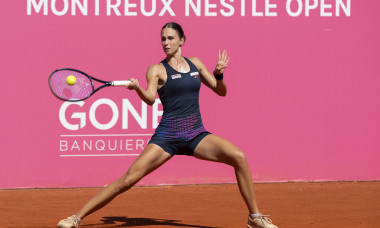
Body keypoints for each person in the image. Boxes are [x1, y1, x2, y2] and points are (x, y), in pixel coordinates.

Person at [57, 22, 278, 228]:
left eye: (171, 38)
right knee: (127, 180)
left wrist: (219, 74)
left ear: (182, 40)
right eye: (163, 39)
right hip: (167, 137)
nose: (166, 42)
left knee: (239, 157)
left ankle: (255, 218)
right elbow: (151, 99)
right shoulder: (156, 69)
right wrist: (137, 89)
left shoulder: (196, 64)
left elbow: (221, 92)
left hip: (195, 134)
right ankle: (76, 217)